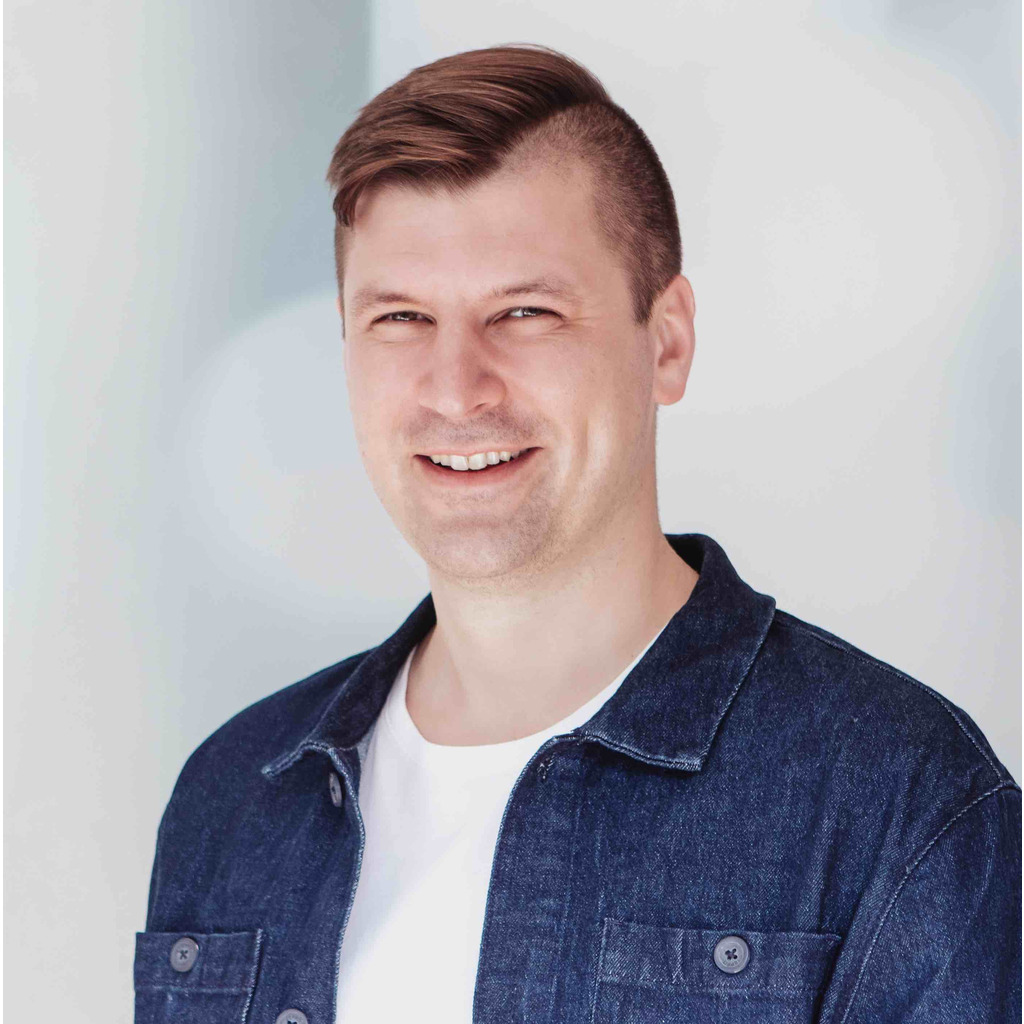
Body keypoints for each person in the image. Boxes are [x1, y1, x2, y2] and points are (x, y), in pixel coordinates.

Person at [134, 44, 1021, 1024]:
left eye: (525, 311)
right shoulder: (233, 798)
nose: (455, 389)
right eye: (401, 318)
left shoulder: (899, 799)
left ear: (666, 342)